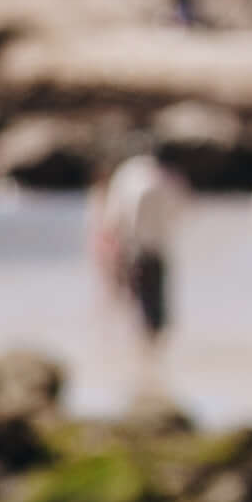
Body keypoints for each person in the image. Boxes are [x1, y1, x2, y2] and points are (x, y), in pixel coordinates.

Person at [85, 149, 180, 404]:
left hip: (138, 249)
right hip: (153, 249)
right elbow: (178, 211)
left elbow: (114, 217)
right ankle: (151, 359)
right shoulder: (159, 179)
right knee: (153, 305)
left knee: (138, 303)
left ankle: (145, 359)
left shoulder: (131, 176)